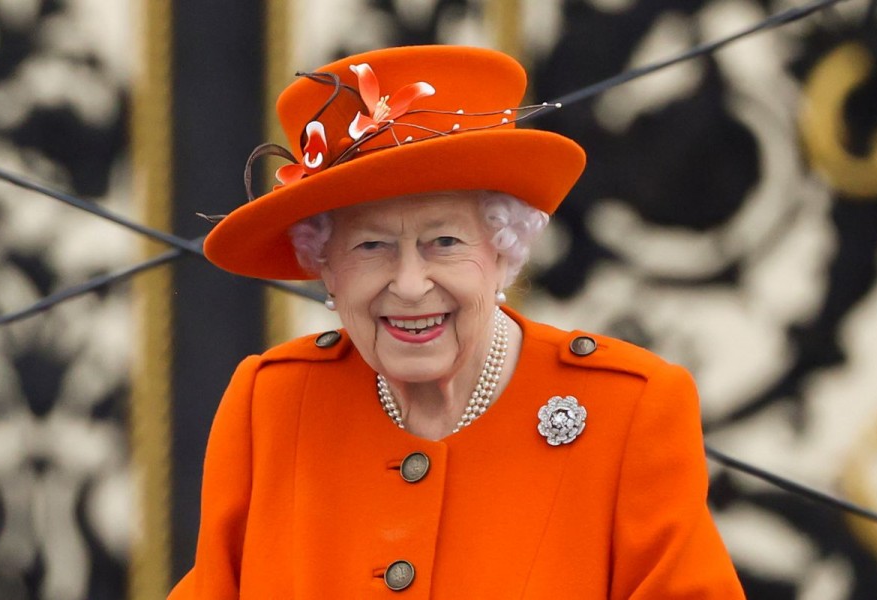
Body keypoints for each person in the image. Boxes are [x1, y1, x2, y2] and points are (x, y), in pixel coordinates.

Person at [169, 45, 745, 598]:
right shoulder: (271, 403)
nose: (411, 284)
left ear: (503, 250)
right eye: (371, 246)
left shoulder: (627, 413)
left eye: (444, 241)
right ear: (325, 267)